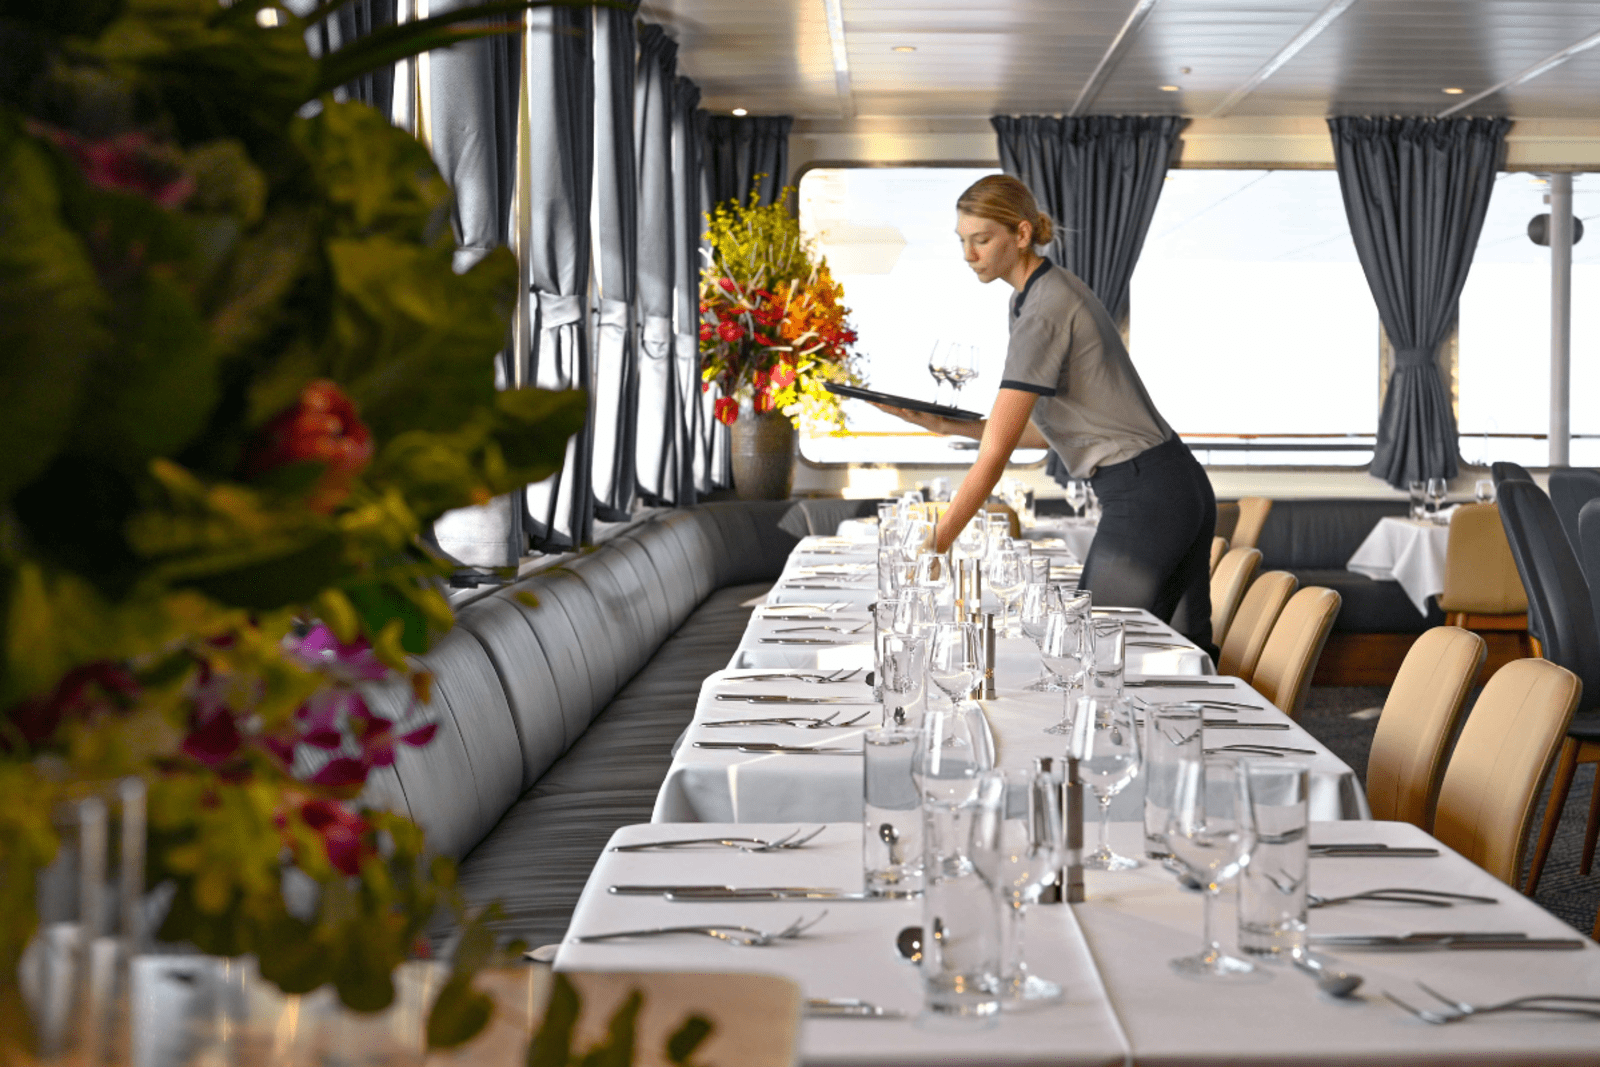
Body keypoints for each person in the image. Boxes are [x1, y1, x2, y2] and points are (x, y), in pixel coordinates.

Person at [873, 175, 1217, 655]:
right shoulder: (1042, 293)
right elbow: (1044, 434)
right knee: (1183, 658)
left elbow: (997, 454)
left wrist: (935, 543)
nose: (969, 254)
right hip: (1174, 482)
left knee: (1084, 652)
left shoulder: (1043, 309)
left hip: (1145, 494)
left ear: (1021, 234)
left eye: (982, 240)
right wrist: (947, 424)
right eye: (963, 241)